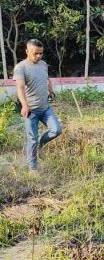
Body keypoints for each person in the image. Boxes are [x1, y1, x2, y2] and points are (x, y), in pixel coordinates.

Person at [13, 39, 62, 172]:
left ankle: (41, 143)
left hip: (45, 107)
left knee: (56, 129)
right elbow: (20, 88)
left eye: (41, 53)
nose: (39, 56)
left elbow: (47, 79)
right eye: (35, 53)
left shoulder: (43, 64)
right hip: (30, 110)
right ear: (27, 51)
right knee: (32, 139)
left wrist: (51, 90)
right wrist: (24, 105)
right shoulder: (21, 67)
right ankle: (33, 168)